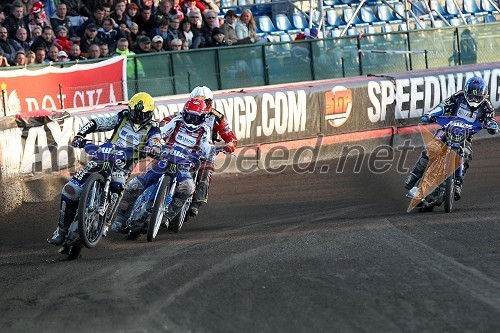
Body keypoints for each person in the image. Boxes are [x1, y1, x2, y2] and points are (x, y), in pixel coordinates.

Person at [47, 92, 162, 246]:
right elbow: (99, 122)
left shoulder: (153, 128)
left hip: (123, 166)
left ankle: (105, 222)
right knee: (70, 190)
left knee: (117, 188)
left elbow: (156, 141)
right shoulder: (123, 116)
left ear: (150, 114)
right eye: (136, 113)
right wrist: (81, 135)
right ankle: (61, 230)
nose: (138, 117)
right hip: (102, 158)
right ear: (130, 109)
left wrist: (154, 148)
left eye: (143, 114)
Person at [112, 97, 213, 234]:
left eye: (195, 118)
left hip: (183, 166)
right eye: (189, 116)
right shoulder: (177, 122)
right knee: (133, 186)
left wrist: (210, 151)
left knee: (189, 188)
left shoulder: (205, 130)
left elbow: (206, 144)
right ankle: (120, 219)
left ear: (202, 118)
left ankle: (167, 216)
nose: (191, 121)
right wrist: (155, 144)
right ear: (184, 113)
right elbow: (162, 132)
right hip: (163, 159)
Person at [404, 76, 498, 200]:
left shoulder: (487, 106)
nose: (474, 99)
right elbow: (443, 106)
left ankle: (458, 183)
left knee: (466, 155)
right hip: (447, 129)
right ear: (466, 92)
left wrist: (492, 125)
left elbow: (490, 119)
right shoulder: (458, 96)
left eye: (477, 97)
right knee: (431, 149)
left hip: (465, 136)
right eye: (471, 95)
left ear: (484, 96)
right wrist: (430, 114)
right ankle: (414, 175)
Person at [185, 86, 237, 216]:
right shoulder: (185, 111)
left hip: (206, 151)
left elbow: (230, 136)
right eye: (197, 101)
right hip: (185, 147)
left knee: (206, 171)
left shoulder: (217, 117)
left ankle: (197, 201)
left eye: (205, 102)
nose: (201, 104)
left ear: (210, 103)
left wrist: (230, 144)